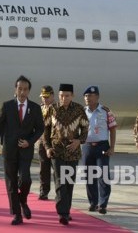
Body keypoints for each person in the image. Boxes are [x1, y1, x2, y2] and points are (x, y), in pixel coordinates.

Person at [0, 75, 44, 225]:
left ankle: (22, 200)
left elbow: (40, 129)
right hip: (9, 151)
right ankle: (17, 214)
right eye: (20, 89)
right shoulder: (7, 106)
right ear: (15, 89)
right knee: (11, 183)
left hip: (26, 151)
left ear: (29, 91)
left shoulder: (35, 108)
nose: (22, 92)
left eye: (25, 89)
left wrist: (30, 141)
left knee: (26, 179)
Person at [44, 84, 89, 225]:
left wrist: (79, 141)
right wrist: (47, 147)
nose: (64, 98)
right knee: (60, 181)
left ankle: (66, 210)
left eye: (67, 95)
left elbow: (86, 129)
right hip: (56, 152)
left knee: (69, 183)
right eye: (62, 95)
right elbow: (45, 130)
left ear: (72, 96)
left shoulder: (79, 109)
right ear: (58, 95)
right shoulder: (52, 109)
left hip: (72, 153)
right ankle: (63, 213)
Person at [82, 85, 116, 215]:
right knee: (89, 176)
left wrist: (112, 147)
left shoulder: (106, 111)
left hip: (102, 146)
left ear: (97, 97)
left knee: (103, 176)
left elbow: (112, 129)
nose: (87, 98)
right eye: (85, 96)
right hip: (87, 146)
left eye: (90, 96)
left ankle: (103, 204)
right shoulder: (81, 112)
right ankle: (93, 203)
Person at [38, 85, 55, 200]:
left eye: (47, 97)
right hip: (42, 142)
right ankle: (44, 191)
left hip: (55, 142)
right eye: (43, 97)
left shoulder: (57, 108)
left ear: (52, 96)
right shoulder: (39, 108)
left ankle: (60, 191)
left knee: (57, 169)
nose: (45, 99)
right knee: (44, 168)